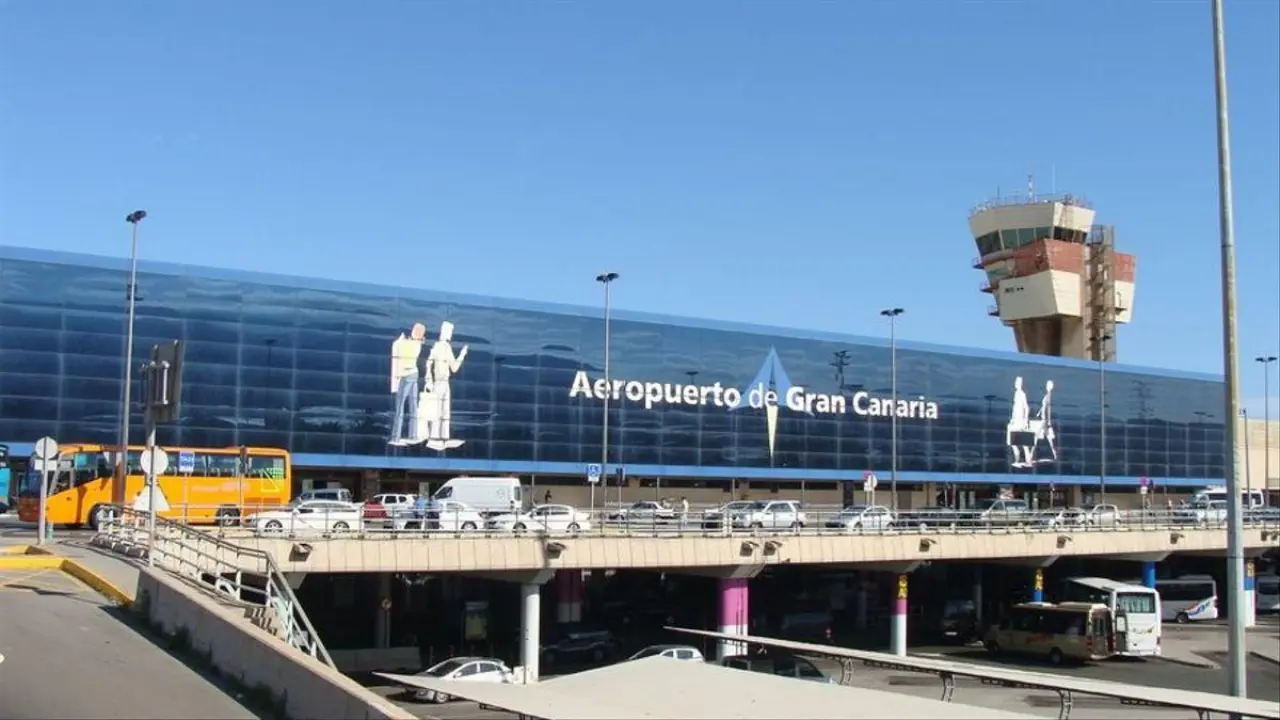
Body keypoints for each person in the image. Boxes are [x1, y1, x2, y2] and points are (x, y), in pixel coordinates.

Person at [389, 323, 426, 446]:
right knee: (413, 407)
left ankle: (396, 437)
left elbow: (401, 358)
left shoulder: (404, 344)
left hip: (405, 377)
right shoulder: (417, 345)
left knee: (400, 408)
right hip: (414, 375)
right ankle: (413, 435)